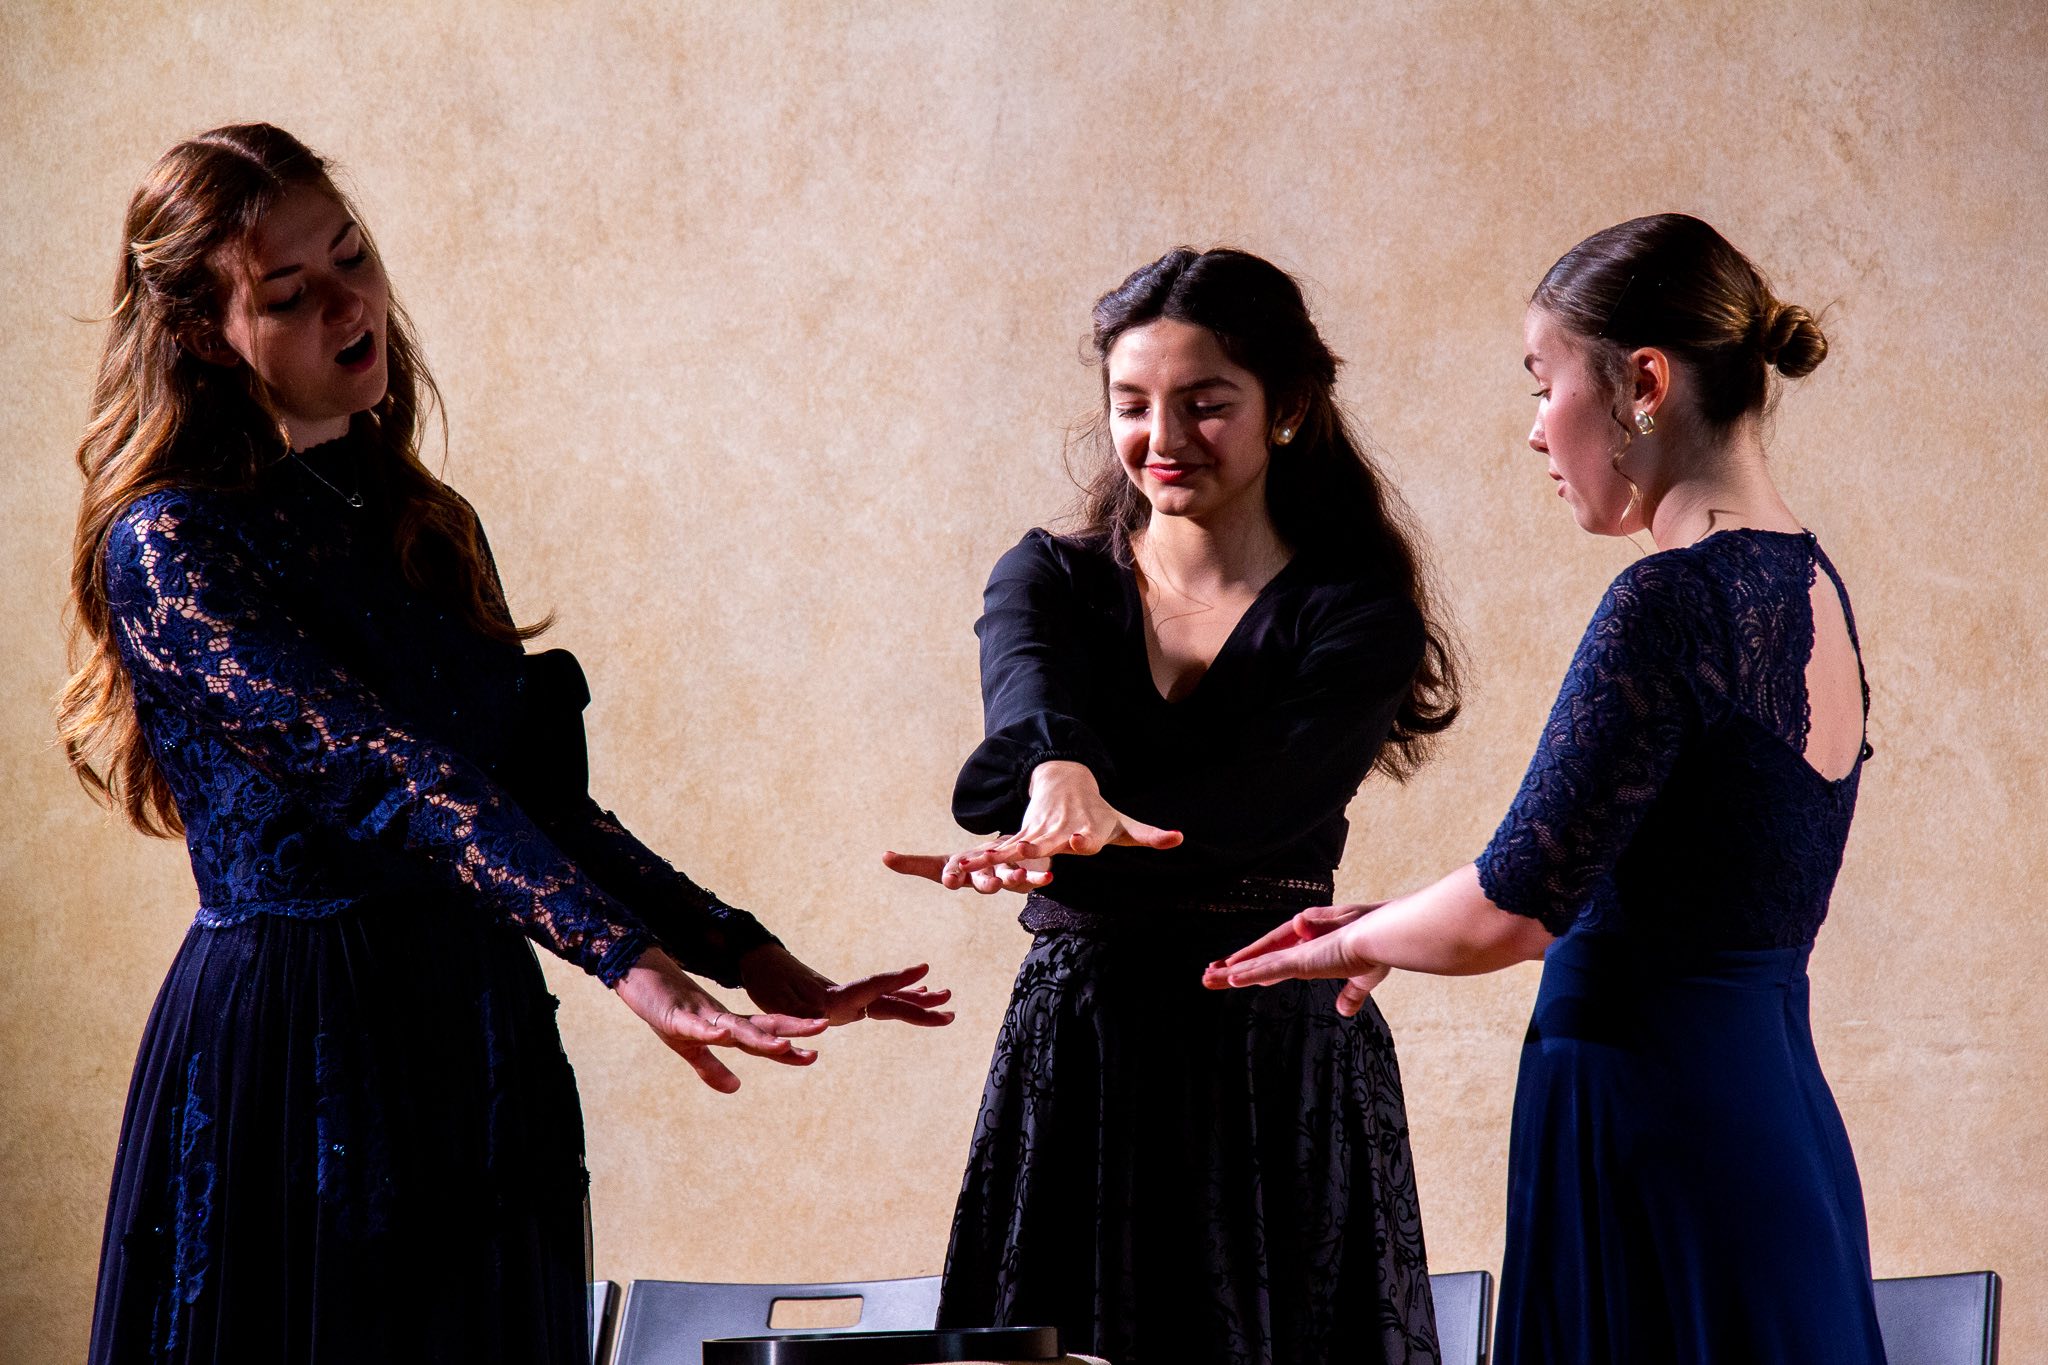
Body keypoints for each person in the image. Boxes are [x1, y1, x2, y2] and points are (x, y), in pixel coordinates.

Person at [60, 123, 952, 1364]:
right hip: (296, 1040)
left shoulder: (426, 519)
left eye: (352, 255)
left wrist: (739, 950)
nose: (348, 303)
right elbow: (388, 774)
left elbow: (534, 800)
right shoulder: (169, 543)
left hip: (475, 1032)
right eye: (289, 293)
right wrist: (627, 962)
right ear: (207, 334)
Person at [1216, 214, 1886, 1364]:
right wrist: (1388, 922)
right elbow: (1621, 873)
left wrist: (1338, 945)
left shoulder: (1667, 601)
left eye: (1542, 384)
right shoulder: (1810, 585)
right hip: (1767, 1116)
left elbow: (1514, 907)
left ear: (1642, 384)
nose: (1534, 429)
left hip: (1652, 1127)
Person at [886, 247, 1462, 1364]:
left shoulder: (1357, 615)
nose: (1162, 438)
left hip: (1271, 1049)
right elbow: (1026, 709)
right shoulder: (1046, 577)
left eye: (1205, 404)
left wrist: (1076, 834)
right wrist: (1058, 778)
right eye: (1132, 405)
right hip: (1083, 1044)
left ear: (1287, 407)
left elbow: (1249, 814)